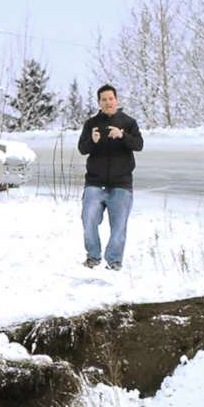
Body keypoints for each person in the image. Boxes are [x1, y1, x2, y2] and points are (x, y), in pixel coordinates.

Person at [76, 84, 143, 270]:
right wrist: (93, 141)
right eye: (104, 100)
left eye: (111, 99)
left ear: (117, 100)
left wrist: (122, 136)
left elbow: (139, 145)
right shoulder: (91, 124)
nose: (108, 102)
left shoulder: (129, 123)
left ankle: (114, 261)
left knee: (119, 226)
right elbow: (82, 148)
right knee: (88, 218)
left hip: (121, 184)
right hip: (95, 183)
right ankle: (93, 257)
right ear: (99, 102)